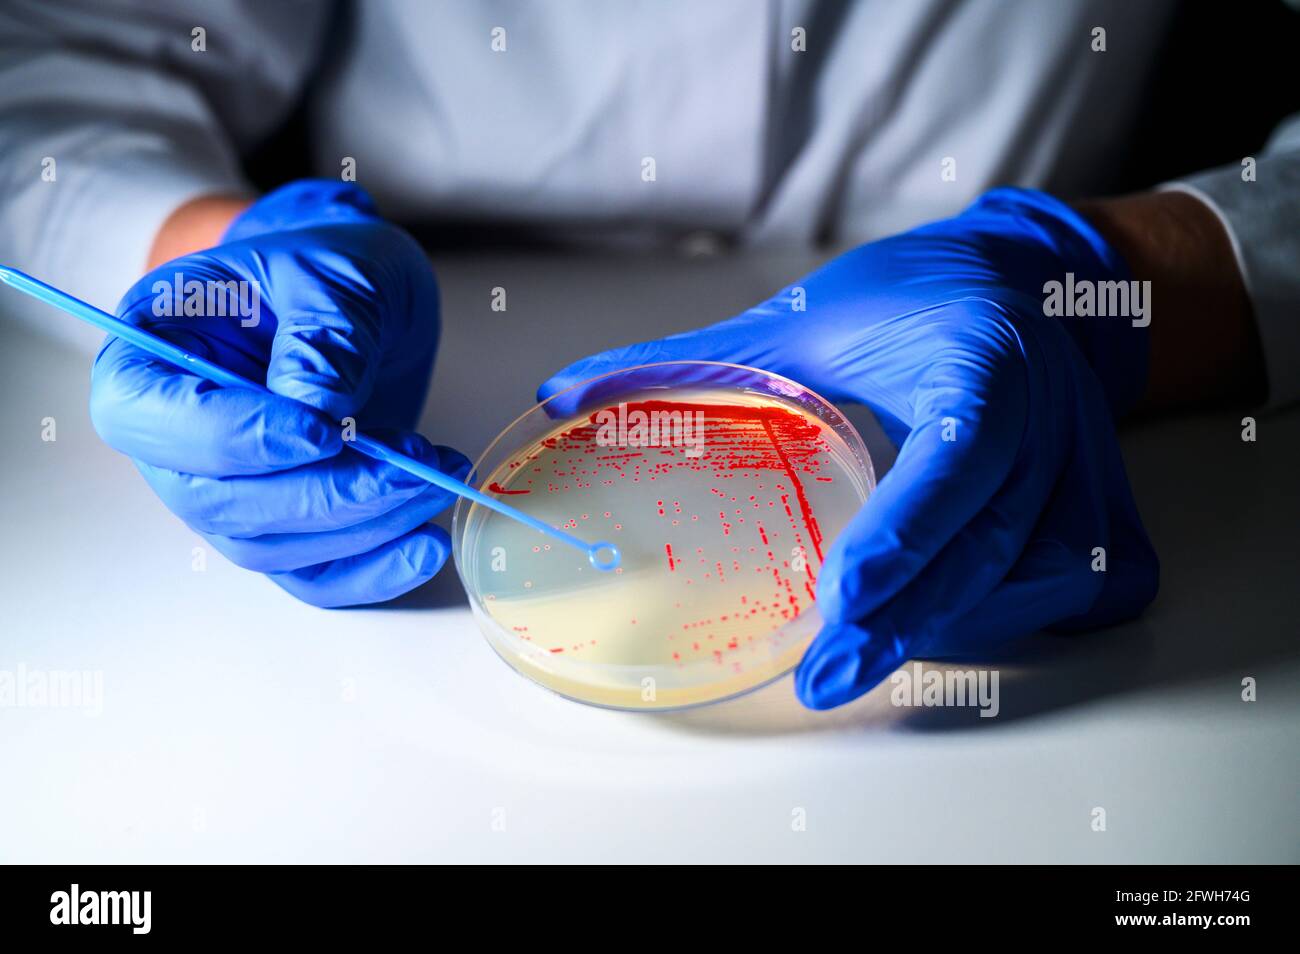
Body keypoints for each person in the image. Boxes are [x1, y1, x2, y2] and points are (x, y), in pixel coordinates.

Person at [1, 1, 1295, 709]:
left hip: (952, 373)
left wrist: (1110, 283)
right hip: (432, 302)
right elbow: (52, 65)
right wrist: (229, 267)